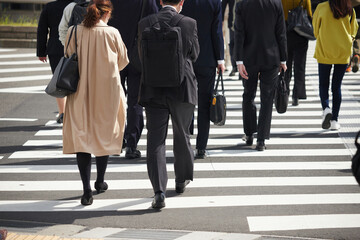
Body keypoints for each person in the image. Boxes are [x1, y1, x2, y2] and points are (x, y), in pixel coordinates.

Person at [62, 0, 129, 205]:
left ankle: (86, 190)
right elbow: (123, 60)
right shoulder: (112, 33)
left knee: (82, 137)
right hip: (106, 92)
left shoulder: (74, 31)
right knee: (104, 135)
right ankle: (100, 181)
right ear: (106, 13)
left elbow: (67, 55)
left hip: (79, 91)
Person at [138, 0, 200, 209]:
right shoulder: (189, 23)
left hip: (153, 88)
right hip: (182, 88)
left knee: (156, 140)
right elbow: (194, 54)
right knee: (182, 135)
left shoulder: (145, 22)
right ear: (181, 2)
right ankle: (181, 180)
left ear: (160, 1)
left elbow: (140, 56)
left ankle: (159, 192)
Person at [234, 0, 287, 151]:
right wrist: (283, 59)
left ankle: (250, 133)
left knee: (248, 95)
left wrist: (238, 60)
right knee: (267, 98)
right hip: (271, 56)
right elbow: (281, 33)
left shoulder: (242, 4)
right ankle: (261, 140)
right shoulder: (276, 3)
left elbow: (239, 33)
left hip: (248, 58)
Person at [108, 0, 158, 159]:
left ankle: (116, 140)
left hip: (114, 55)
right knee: (135, 101)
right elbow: (154, 24)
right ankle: (131, 144)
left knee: (114, 99)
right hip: (138, 55)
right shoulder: (147, 2)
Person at [182, 0, 225, 159]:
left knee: (185, 100)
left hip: (185, 57)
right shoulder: (214, 2)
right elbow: (217, 31)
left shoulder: (183, 2)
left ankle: (186, 139)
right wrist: (220, 58)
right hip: (207, 58)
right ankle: (201, 147)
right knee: (205, 103)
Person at [312, 0, 358, 130]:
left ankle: (326, 109)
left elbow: (315, 30)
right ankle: (334, 120)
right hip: (343, 52)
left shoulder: (321, 7)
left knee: (323, 84)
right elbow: (353, 31)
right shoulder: (349, 9)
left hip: (325, 50)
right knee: (336, 86)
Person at [37, 0, 72, 123]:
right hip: (74, 47)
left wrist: (41, 52)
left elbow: (42, 30)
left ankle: (62, 112)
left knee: (58, 80)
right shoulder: (76, 6)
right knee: (75, 80)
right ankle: (71, 111)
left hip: (55, 48)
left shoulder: (49, 7)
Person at [281, 0, 312, 106]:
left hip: (286, 31)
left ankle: (285, 91)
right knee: (300, 66)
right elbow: (309, 14)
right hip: (301, 32)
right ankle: (296, 94)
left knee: (286, 64)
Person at [222, 0, 237, 76]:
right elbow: (223, 5)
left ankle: (237, 66)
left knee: (234, 44)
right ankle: (234, 66)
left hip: (243, 20)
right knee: (232, 44)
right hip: (232, 22)